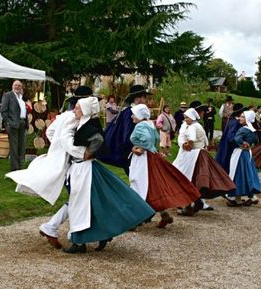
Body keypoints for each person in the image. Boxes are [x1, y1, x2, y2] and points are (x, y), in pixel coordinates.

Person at [6, 85, 93, 249]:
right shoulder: (75, 118)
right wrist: (76, 152)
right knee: (79, 198)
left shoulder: (63, 116)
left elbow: (50, 133)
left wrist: (58, 149)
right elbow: (66, 139)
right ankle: (67, 232)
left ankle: (56, 228)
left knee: (77, 198)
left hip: (64, 160)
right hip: (74, 162)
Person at [64, 97, 155, 253]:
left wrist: (88, 152)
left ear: (85, 111)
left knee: (80, 205)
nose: (75, 110)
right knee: (91, 203)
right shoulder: (81, 125)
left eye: (78, 108)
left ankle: (79, 243)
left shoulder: (87, 126)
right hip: (81, 168)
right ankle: (101, 234)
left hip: (84, 169)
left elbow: (98, 139)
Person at [129, 104, 201, 225]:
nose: (132, 116)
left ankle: (136, 219)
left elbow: (146, 139)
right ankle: (163, 214)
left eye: (134, 114)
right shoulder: (150, 124)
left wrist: (140, 149)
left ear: (140, 116)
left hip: (143, 159)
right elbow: (156, 138)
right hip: (151, 156)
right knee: (152, 186)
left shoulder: (141, 125)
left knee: (139, 185)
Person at [173, 107, 235, 215]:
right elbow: (206, 140)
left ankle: (188, 204)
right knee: (194, 179)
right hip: (200, 153)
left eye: (187, 117)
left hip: (192, 155)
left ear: (192, 117)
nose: (185, 119)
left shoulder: (192, 127)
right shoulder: (198, 125)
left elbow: (191, 139)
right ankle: (195, 202)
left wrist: (189, 145)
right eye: (185, 117)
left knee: (188, 177)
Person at [97, 84, 151, 175]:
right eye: (144, 97)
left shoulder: (133, 112)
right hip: (131, 153)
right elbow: (128, 135)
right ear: (137, 98)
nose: (146, 100)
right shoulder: (130, 113)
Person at [226, 110, 261, 206]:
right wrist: (248, 144)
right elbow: (256, 141)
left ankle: (236, 197)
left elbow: (236, 139)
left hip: (240, 153)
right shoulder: (252, 130)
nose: (240, 118)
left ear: (247, 119)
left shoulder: (243, 129)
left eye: (242, 117)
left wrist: (242, 143)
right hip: (247, 153)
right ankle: (246, 197)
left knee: (238, 173)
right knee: (246, 173)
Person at [0, 80, 30, 171]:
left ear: (21, 87)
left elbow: (23, 111)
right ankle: (14, 169)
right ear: (12, 86)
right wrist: (8, 122)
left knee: (22, 146)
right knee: (14, 147)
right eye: (15, 85)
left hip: (22, 123)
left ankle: (20, 167)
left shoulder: (21, 97)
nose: (17, 87)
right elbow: (3, 110)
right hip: (12, 124)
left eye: (19, 86)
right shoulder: (8, 95)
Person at [215, 103, 246, 173]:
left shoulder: (233, 120)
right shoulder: (235, 122)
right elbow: (230, 137)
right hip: (229, 147)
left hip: (227, 146)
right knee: (227, 164)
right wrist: (239, 143)